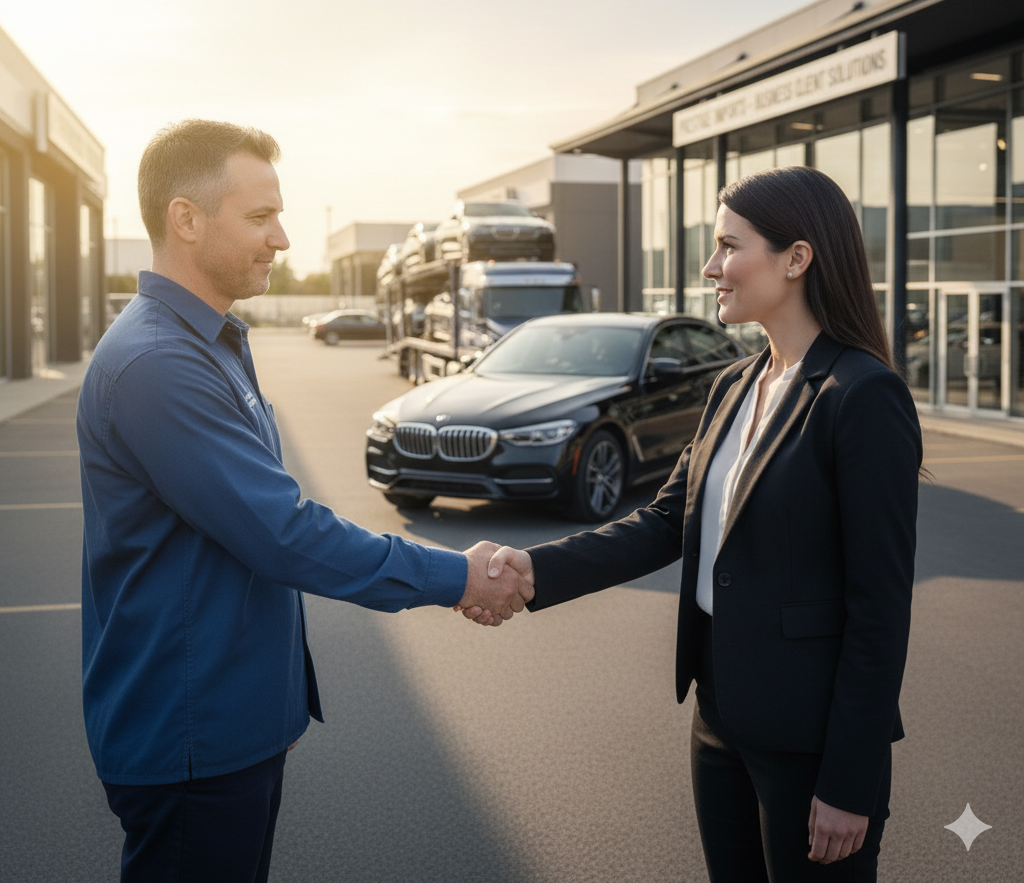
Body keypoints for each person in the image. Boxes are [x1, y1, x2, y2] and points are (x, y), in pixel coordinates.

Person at [77, 119, 532, 883]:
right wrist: (457, 579)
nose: (282, 239)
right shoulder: (159, 364)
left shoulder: (206, 341)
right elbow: (282, 534)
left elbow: (245, 537)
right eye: (259, 217)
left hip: (229, 722)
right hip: (194, 734)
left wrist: (273, 707)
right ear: (185, 219)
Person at [460, 165, 921, 882]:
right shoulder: (734, 385)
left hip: (810, 743)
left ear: (796, 259)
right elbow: (667, 521)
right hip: (719, 721)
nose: (712, 268)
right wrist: (533, 569)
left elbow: (881, 607)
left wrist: (850, 779)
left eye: (728, 246)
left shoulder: (861, 395)